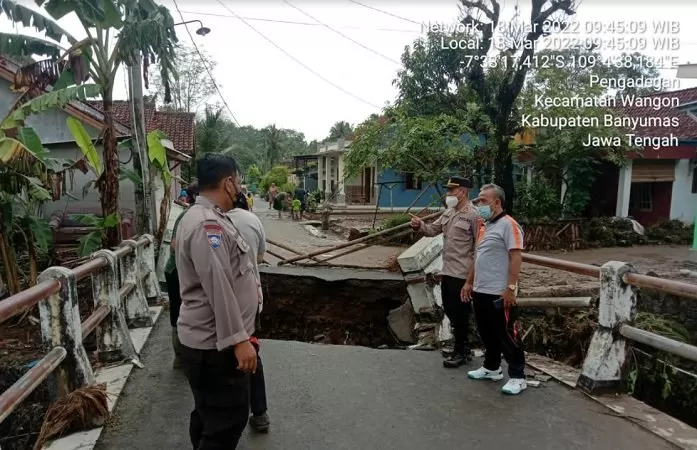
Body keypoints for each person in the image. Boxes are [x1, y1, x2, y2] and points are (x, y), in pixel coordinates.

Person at [175, 153, 259, 448]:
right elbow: (219, 286)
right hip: (215, 346)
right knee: (228, 420)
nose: (240, 187)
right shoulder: (206, 226)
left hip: (208, 343)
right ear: (228, 182)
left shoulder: (211, 218)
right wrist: (239, 340)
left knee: (209, 414)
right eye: (238, 181)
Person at [462, 183, 527, 395]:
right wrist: (469, 282)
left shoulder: (509, 225)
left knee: (506, 334)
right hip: (481, 289)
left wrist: (511, 287)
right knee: (486, 331)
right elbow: (478, 256)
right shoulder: (485, 226)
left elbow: (516, 257)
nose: (479, 204)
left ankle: (518, 376)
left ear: (496, 202)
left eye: (483, 200)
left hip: (499, 291)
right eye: (478, 200)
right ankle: (492, 367)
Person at [411, 176, 478, 368]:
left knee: (461, 313)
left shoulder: (473, 215)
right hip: (448, 271)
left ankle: (462, 351)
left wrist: (470, 281)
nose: (448, 194)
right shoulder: (449, 212)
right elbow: (433, 229)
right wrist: (419, 226)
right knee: (450, 310)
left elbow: (478, 248)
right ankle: (460, 347)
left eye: (451, 191)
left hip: (463, 274)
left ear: (462, 192)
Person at [227, 194, 271, 433]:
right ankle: (260, 413)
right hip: (251, 299)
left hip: (220, 302)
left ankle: (226, 410)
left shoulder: (213, 219)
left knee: (221, 351)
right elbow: (261, 257)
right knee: (250, 350)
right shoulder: (253, 220)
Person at [164, 181, 198, 369]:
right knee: (180, 311)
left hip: (178, 269)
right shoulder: (188, 215)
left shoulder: (190, 214)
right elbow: (175, 245)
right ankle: (181, 356)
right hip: (177, 270)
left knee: (182, 310)